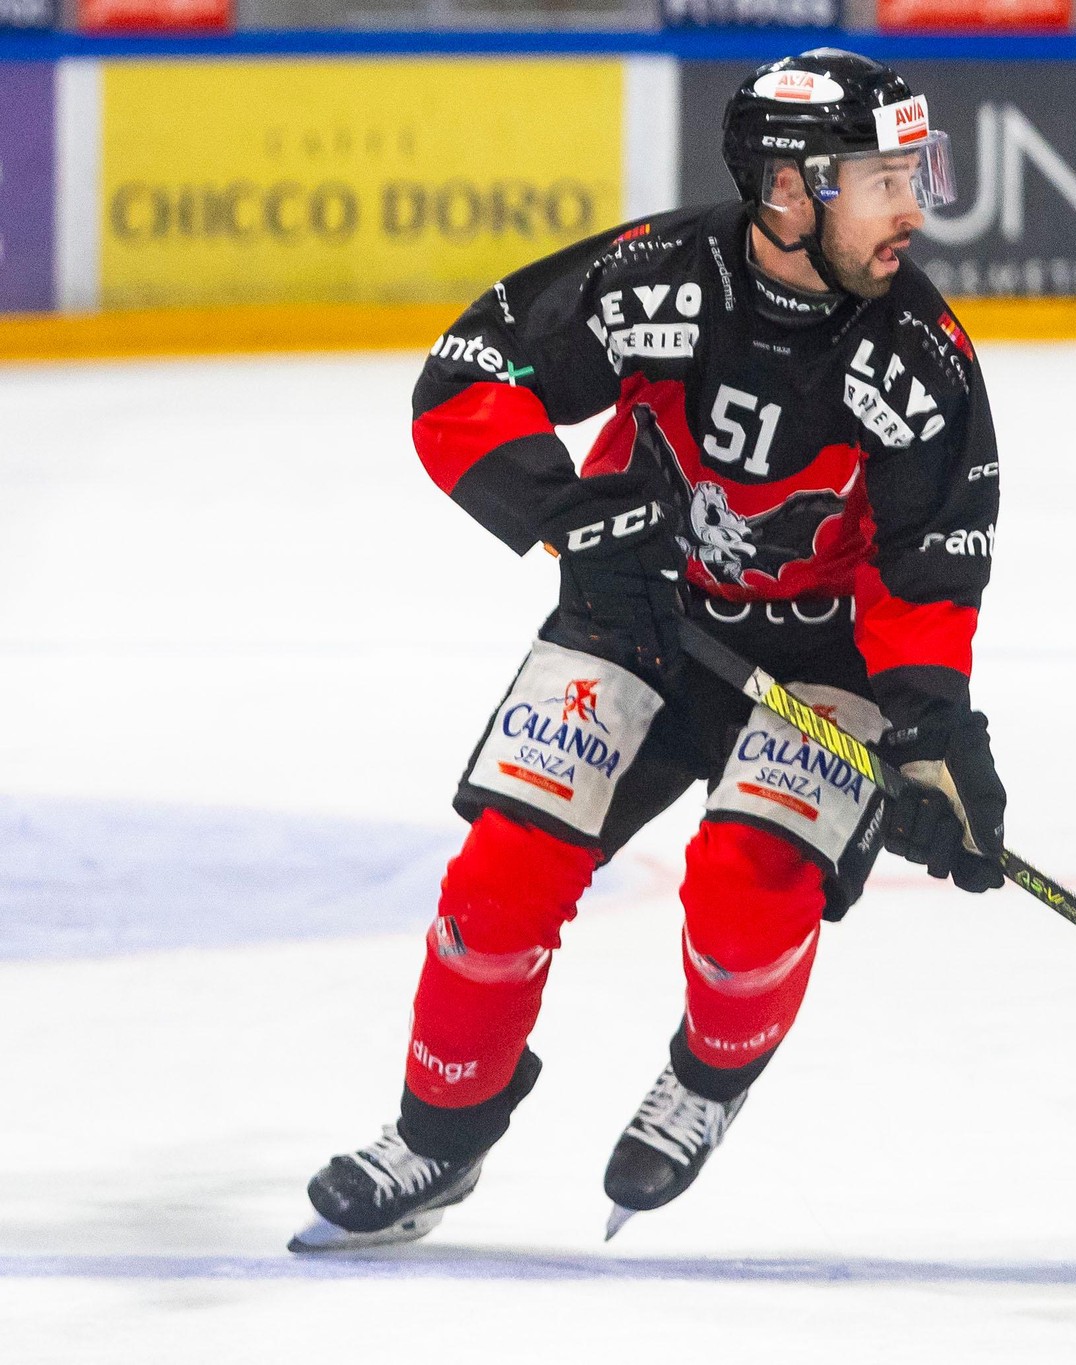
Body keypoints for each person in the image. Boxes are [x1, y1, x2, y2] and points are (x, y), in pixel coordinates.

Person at [290, 49, 1007, 1252]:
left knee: (745, 896)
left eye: (911, 174)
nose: (913, 209)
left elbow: (926, 569)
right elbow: (467, 378)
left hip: (815, 666)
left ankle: (710, 1078)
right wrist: (575, 519)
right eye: (880, 179)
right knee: (500, 877)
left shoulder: (917, 358)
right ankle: (441, 1132)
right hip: (639, 616)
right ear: (788, 192)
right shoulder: (655, 275)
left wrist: (935, 737)